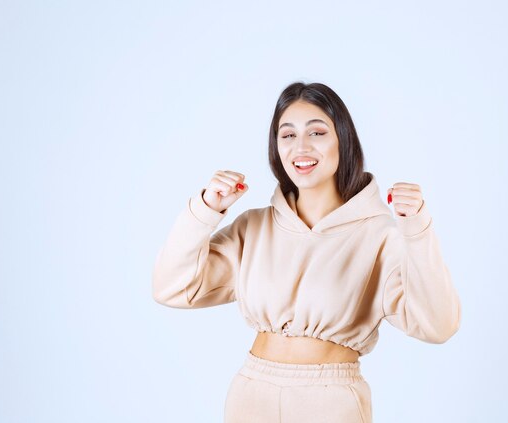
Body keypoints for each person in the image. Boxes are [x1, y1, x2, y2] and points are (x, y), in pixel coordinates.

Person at [152, 81, 462, 423]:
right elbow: (172, 288)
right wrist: (204, 211)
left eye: (317, 133)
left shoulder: (380, 235)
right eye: (287, 135)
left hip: (330, 403)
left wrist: (417, 231)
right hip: (251, 396)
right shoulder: (253, 227)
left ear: (343, 139)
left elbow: (438, 326)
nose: (301, 147)